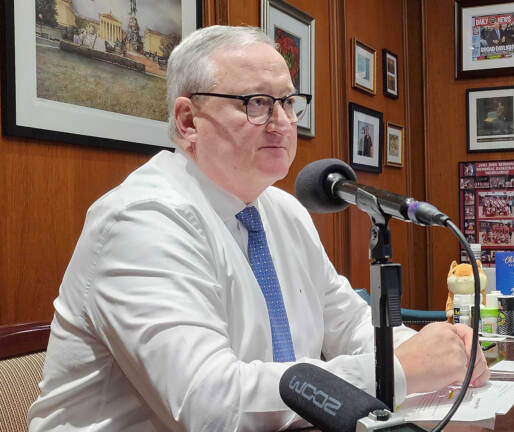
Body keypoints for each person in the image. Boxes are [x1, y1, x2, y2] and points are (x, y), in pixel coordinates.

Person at [28, 26, 489, 431]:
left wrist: (435, 350)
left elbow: (349, 323)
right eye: (257, 103)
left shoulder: (282, 210)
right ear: (188, 121)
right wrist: (396, 371)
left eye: (288, 102)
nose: (284, 122)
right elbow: (211, 406)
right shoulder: (141, 220)